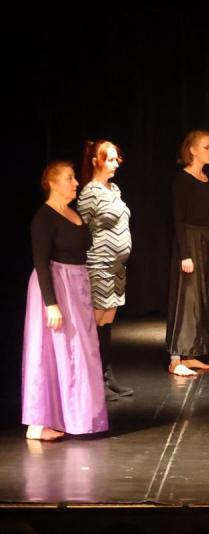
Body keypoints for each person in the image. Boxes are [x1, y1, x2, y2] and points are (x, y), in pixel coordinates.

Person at [22, 161, 108, 441]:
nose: (75, 183)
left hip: (77, 285)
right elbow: (41, 262)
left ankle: (78, 416)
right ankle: (38, 422)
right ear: (52, 183)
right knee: (53, 352)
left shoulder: (73, 212)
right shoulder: (44, 218)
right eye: (69, 178)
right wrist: (51, 304)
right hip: (56, 286)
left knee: (81, 352)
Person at [166, 130, 209, 376]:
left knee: (204, 299)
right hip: (190, 241)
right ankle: (176, 358)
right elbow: (178, 219)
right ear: (193, 150)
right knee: (187, 299)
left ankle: (192, 354)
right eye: (207, 147)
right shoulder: (182, 180)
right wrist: (185, 254)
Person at [77, 139, 134, 400]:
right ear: (95, 162)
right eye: (110, 159)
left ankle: (107, 375)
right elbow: (81, 229)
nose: (116, 164)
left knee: (107, 324)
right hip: (98, 265)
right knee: (94, 324)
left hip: (116, 267)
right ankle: (92, 380)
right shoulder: (90, 193)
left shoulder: (114, 189)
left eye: (116, 159)